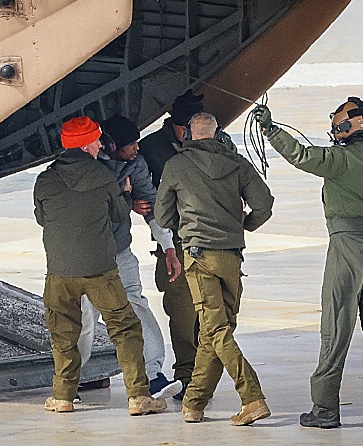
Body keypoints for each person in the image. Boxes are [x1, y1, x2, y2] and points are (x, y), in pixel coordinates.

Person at [254, 97, 363, 429]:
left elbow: (299, 155)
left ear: (343, 129)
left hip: (347, 250)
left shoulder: (338, 160)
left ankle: (325, 410)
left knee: (336, 332)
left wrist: (270, 129)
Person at [33, 116, 167, 416]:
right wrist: (128, 195)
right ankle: (138, 396)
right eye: (95, 140)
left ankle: (64, 397)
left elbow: (42, 217)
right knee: (125, 329)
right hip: (100, 270)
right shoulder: (103, 175)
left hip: (59, 272)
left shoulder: (45, 179)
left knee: (64, 333)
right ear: (85, 145)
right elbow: (119, 213)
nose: (99, 145)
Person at [156, 112, 274, 426]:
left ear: (187, 137)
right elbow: (264, 204)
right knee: (216, 330)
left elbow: (163, 217)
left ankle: (252, 398)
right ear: (219, 136)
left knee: (216, 330)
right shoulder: (237, 164)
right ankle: (194, 404)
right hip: (232, 257)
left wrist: (186, 222)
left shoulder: (176, 166)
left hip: (198, 257)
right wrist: (242, 225)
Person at [77, 114, 181, 400]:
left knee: (137, 306)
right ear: (110, 145)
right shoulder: (85, 167)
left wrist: (168, 247)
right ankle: (71, 379)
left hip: (120, 252)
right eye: (129, 144)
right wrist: (125, 200)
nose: (136, 148)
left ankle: (152, 374)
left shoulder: (135, 164)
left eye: (137, 142)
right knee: (86, 316)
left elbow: (151, 206)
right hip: (88, 257)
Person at [137, 90, 203, 395]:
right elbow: (137, 183)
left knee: (215, 311)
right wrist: (135, 201)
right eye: (184, 127)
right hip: (174, 237)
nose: (190, 133)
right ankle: (188, 373)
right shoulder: (152, 147)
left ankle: (204, 371)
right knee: (182, 308)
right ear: (172, 124)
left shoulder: (215, 140)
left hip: (210, 235)